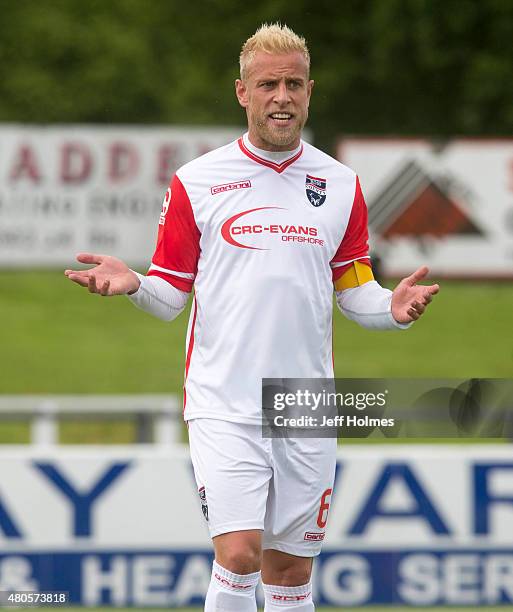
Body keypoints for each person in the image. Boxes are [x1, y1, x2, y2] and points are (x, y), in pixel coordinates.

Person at [65, 23, 439, 612]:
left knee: (289, 571)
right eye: (268, 85)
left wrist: (390, 308)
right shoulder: (198, 180)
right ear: (243, 92)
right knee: (239, 553)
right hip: (224, 398)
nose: (282, 97)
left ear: (310, 90)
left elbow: (354, 286)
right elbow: (169, 293)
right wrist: (135, 283)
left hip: (305, 402)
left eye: (293, 84)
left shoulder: (341, 184)